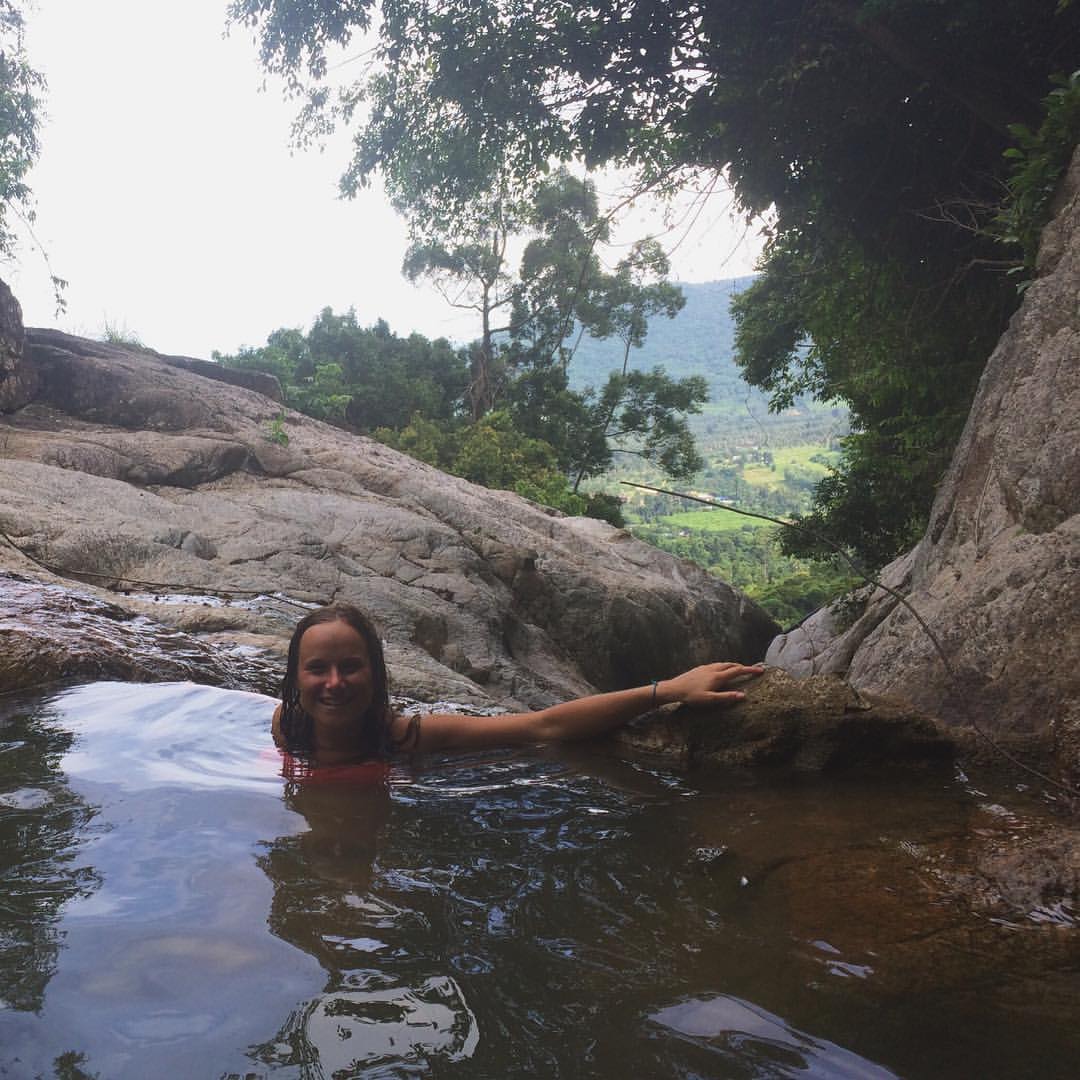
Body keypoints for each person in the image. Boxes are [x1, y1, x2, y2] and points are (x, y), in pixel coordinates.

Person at [272, 603, 764, 766]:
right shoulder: (284, 727)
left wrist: (667, 690)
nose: (334, 683)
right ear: (296, 676)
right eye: (318, 669)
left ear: (376, 674)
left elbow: (542, 726)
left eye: (350, 667)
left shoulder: (409, 737)